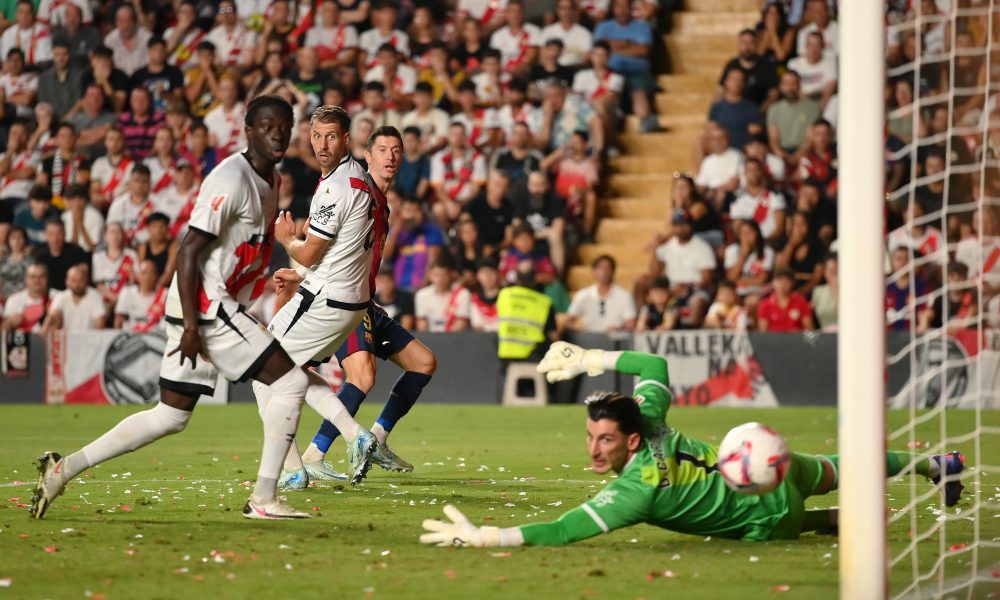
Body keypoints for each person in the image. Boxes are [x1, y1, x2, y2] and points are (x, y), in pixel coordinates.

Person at [30, 96, 322, 522]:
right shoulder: (231, 179)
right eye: (266, 125)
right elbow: (188, 252)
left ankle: (63, 469)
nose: (277, 132)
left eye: (284, 125)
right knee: (292, 383)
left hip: (212, 305)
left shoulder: (271, 180)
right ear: (248, 130)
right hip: (205, 306)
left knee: (169, 416)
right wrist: (191, 326)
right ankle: (264, 497)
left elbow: (240, 252)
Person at [421, 344, 965, 548]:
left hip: (771, 519)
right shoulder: (650, 417)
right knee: (841, 467)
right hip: (773, 464)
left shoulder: (636, 492)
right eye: (591, 437)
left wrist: (486, 536)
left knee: (791, 521)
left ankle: (829, 522)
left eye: (604, 440)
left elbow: (563, 530)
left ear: (630, 440)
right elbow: (653, 366)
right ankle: (933, 462)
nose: (593, 449)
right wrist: (590, 358)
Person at [275, 127, 438, 485]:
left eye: (396, 151)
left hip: (366, 301)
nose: (390, 156)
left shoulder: (382, 203)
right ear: (367, 156)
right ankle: (315, 454)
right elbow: (326, 245)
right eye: (382, 149)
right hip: (345, 303)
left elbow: (347, 254)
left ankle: (376, 438)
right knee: (361, 377)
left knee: (424, 363)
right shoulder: (357, 191)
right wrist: (301, 272)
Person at [253, 106, 390, 489]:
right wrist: (303, 272)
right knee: (291, 373)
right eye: (317, 136)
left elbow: (311, 251)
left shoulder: (335, 187)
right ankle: (353, 436)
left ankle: (295, 470)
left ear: (346, 139)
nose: (323, 144)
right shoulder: (358, 178)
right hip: (345, 298)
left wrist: (286, 239)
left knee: (263, 376)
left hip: (326, 298)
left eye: (332, 136)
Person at [388, 196, 446, 292]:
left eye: (415, 211)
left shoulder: (431, 231)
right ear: (401, 213)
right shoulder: (395, 232)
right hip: (397, 288)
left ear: (422, 213)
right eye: (408, 210)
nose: (412, 215)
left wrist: (424, 285)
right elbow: (386, 257)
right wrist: (395, 231)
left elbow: (433, 260)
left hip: (421, 287)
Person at [565, 255, 636, 333]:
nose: (604, 272)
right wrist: (579, 330)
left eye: (607, 268)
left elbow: (631, 323)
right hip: (588, 338)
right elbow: (568, 321)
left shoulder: (624, 295)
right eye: (600, 268)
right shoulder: (583, 295)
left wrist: (620, 328)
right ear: (593, 271)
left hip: (615, 338)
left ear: (613, 271)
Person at [40, 263, 104, 331]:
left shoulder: (95, 296)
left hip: (90, 338)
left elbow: (100, 323)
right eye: (73, 280)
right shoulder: (61, 296)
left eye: (80, 280)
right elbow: (53, 315)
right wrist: (44, 328)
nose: (77, 284)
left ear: (86, 280)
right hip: (67, 339)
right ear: (67, 281)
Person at [415, 260, 471, 332]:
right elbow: (422, 323)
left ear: (451, 274)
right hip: (430, 338)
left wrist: (445, 340)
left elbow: (461, 322)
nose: (440, 279)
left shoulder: (462, 293)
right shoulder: (421, 295)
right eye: (436, 275)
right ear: (429, 275)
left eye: (444, 275)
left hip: (455, 338)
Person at [35, 218, 88, 292]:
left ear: (65, 234)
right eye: (51, 234)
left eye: (59, 234)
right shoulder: (40, 253)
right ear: (46, 235)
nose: (55, 238)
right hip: (47, 295)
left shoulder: (77, 252)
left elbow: (83, 276)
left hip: (71, 294)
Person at [113, 258, 166, 332]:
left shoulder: (164, 295)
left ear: (157, 276)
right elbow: (118, 321)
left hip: (155, 339)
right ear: (138, 275)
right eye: (144, 273)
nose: (148, 278)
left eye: (152, 273)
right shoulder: (127, 293)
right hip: (131, 338)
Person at [756, 268, 815, 332]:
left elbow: (809, 329)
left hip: (796, 340)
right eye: (779, 281)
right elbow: (763, 333)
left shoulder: (801, 301)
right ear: (772, 283)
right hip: (774, 340)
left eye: (786, 281)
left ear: (792, 283)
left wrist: (798, 333)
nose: (782, 285)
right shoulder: (765, 305)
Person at [0, 262, 51, 332]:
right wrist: (10, 322)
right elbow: (3, 330)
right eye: (32, 277)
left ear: (47, 279)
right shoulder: (13, 300)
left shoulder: (57, 297)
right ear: (26, 279)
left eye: (41, 276)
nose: (37, 280)